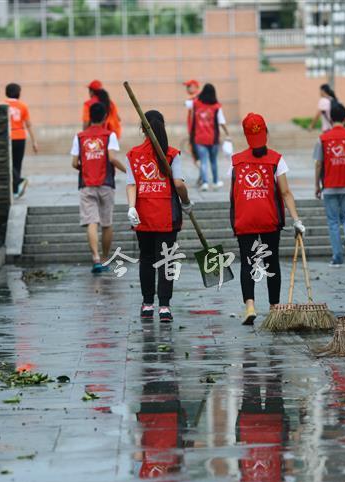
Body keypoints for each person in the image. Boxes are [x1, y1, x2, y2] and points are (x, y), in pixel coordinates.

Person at [230, 113, 305, 325]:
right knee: (272, 262)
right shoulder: (276, 159)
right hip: (269, 218)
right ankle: (274, 308)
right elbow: (285, 192)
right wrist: (296, 219)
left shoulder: (235, 161)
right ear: (266, 133)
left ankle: (250, 306)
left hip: (244, 219)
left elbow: (233, 195)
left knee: (248, 263)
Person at [126, 110, 193, 323]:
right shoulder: (171, 153)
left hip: (143, 214)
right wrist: (187, 203)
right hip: (167, 216)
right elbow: (179, 184)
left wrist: (131, 207)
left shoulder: (133, 154)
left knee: (146, 259)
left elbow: (131, 184)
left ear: (142, 129)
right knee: (166, 260)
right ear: (162, 127)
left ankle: (147, 304)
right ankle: (164, 307)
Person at [71, 102, 127, 274]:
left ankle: (95, 258)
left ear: (89, 117)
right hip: (106, 183)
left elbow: (74, 163)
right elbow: (111, 158)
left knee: (91, 222)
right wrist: (128, 171)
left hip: (87, 184)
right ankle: (104, 258)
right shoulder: (109, 135)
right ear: (104, 117)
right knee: (106, 223)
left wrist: (87, 168)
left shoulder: (79, 136)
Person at [314, 101, 345, 267]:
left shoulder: (323, 139)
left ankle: (337, 257)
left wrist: (317, 186)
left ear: (331, 118)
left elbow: (318, 163)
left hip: (329, 186)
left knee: (333, 222)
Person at [187, 83, 231, 191]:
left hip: (199, 138)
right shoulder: (216, 106)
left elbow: (187, 104)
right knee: (213, 161)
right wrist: (227, 133)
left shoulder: (196, 103)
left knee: (203, 161)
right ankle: (215, 182)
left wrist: (193, 95)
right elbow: (222, 121)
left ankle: (205, 183)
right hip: (213, 139)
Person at [5, 82, 38, 198]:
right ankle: (15, 189)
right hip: (20, 136)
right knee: (17, 163)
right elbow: (28, 124)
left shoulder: (3, 105)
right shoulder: (23, 106)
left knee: (8, 163)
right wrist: (34, 141)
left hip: (7, 137)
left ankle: (17, 184)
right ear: (18, 93)